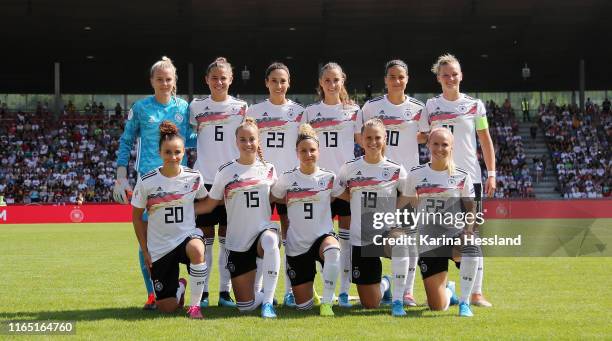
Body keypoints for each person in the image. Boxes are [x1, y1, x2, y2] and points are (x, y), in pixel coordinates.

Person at [113, 56, 193, 310]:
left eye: (168, 79)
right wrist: (121, 175)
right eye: (159, 79)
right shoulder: (140, 108)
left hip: (178, 182)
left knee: (181, 235)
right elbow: (126, 141)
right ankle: (153, 293)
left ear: (174, 82)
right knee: (145, 240)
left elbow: (191, 139)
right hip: (148, 182)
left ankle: (182, 288)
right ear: (152, 81)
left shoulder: (183, 107)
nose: (164, 83)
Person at [418, 53, 495, 307]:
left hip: (470, 179)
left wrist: (491, 173)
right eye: (445, 74)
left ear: (461, 76)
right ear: (438, 78)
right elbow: (420, 136)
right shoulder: (430, 106)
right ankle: (443, 285)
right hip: (440, 182)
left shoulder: (475, 105)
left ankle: (475, 293)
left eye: (454, 74)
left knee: (471, 235)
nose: (450, 78)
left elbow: (484, 140)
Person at [195, 118, 280, 318]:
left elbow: (280, 196)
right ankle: (260, 297)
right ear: (236, 142)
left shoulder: (269, 169)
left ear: (258, 141)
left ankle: (268, 302)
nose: (248, 143)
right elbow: (209, 204)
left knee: (270, 240)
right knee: (245, 306)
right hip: (237, 242)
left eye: (252, 139)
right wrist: (181, 208)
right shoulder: (225, 171)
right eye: (243, 139)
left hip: (261, 234)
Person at [357, 59, 424, 307]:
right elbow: (362, 138)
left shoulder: (419, 108)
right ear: (385, 79)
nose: (397, 81)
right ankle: (381, 284)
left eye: (401, 77)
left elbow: (426, 135)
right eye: (392, 76)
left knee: (409, 237)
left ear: (407, 79)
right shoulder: (371, 107)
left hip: (406, 182)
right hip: (378, 181)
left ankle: (406, 291)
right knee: (372, 238)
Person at [132, 121, 208, 319]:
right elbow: (136, 217)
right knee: (167, 307)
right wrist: (145, 250)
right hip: (160, 247)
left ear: (184, 152)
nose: (173, 157)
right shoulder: (147, 181)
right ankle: (180, 288)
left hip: (185, 238)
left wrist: (190, 209)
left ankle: (195, 306)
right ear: (160, 153)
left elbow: (206, 203)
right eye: (168, 152)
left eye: (177, 152)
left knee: (198, 249)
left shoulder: (194, 177)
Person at [403, 127, 480, 317]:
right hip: (428, 243)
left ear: (451, 147)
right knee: (436, 306)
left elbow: (471, 209)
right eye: (435, 143)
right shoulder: (416, 174)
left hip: (454, 236)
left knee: (471, 247)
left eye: (444, 144)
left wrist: (468, 231)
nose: (439, 148)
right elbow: (406, 204)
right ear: (428, 144)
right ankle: (450, 291)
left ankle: (464, 303)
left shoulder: (462, 176)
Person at [337, 118, 410, 317]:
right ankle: (385, 283)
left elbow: (410, 194)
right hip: (361, 239)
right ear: (361, 140)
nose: (373, 142)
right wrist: (349, 196)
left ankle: (397, 301)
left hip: (386, 233)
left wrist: (394, 210)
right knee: (370, 304)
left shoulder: (396, 169)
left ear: (384, 139)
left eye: (378, 137)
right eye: (368, 137)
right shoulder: (349, 168)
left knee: (401, 243)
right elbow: (336, 190)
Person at [190, 57, 247, 308]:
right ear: (207, 80)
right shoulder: (196, 107)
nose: (219, 82)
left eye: (223, 78)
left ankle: (224, 292)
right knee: (204, 241)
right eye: (214, 78)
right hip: (204, 182)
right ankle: (202, 294)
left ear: (231, 79)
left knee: (227, 241)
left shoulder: (242, 107)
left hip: (230, 183)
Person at [247, 62, 304, 307]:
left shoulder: (300, 112)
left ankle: (290, 290)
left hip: (289, 183)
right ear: (266, 83)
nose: (279, 85)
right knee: (258, 236)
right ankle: (257, 291)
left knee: (291, 238)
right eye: (274, 81)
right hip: (261, 182)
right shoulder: (254, 111)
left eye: (283, 81)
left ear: (288, 83)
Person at [303, 62, 360, 307]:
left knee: (346, 241)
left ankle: (344, 292)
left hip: (345, 184)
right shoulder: (310, 112)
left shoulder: (354, 111)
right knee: (316, 239)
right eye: (327, 80)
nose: (332, 84)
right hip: (319, 184)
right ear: (321, 83)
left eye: (336, 80)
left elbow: (365, 143)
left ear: (342, 80)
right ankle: (313, 289)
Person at [271, 123, 343, 316]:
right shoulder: (287, 179)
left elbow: (346, 196)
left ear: (319, 152)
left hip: (322, 237)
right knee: (304, 307)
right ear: (297, 152)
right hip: (297, 245)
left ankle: (327, 303)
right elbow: (272, 196)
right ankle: (312, 294)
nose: (308, 154)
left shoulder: (329, 178)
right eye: (304, 151)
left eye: (312, 150)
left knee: (333, 249)